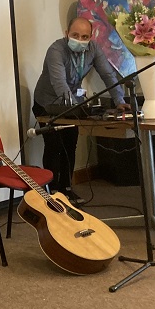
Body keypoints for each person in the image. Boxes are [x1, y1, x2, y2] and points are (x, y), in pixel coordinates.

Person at [32, 17, 129, 204]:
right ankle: (51, 192)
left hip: (72, 103)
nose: (80, 39)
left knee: (70, 144)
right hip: (47, 103)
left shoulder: (94, 49)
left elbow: (108, 74)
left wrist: (119, 100)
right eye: (75, 35)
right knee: (54, 145)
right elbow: (59, 83)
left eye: (84, 37)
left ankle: (66, 189)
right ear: (66, 33)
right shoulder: (56, 50)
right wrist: (73, 107)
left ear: (90, 37)